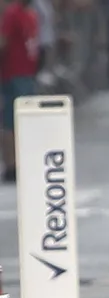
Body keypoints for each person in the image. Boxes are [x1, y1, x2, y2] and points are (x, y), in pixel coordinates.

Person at [0, 0, 39, 183]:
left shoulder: (23, 13)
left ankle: (17, 162)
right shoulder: (19, 13)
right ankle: (14, 163)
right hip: (18, 72)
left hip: (21, 72)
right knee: (14, 119)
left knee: (17, 120)